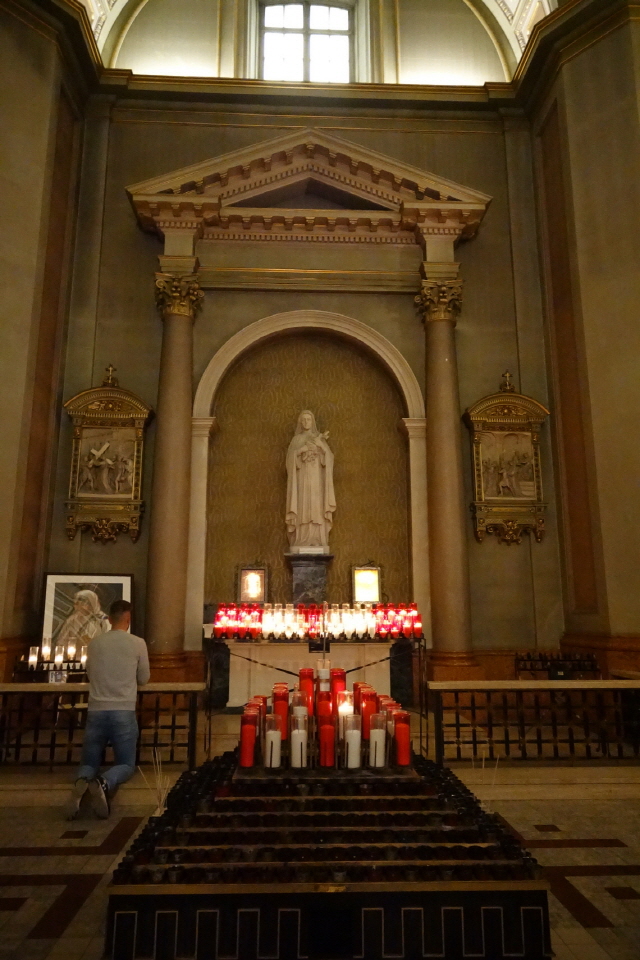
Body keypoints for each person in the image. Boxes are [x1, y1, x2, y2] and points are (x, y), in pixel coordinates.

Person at [65, 599, 150, 820]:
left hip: (96, 709)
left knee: (89, 762)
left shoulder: (95, 643)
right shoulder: (137, 643)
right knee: (125, 763)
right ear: (128, 620)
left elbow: (90, 673)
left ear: (110, 619)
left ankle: (82, 783)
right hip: (123, 709)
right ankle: (103, 782)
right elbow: (144, 678)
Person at [285, 410, 336, 551]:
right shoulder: (296, 440)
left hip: (317, 480)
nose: (306, 422)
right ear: (300, 422)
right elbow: (289, 462)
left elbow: (329, 460)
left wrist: (320, 447)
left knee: (316, 507)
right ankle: (301, 539)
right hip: (301, 480)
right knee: (303, 507)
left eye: (309, 419)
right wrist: (301, 450)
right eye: (304, 420)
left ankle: (318, 539)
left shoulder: (318, 439)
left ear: (312, 421)